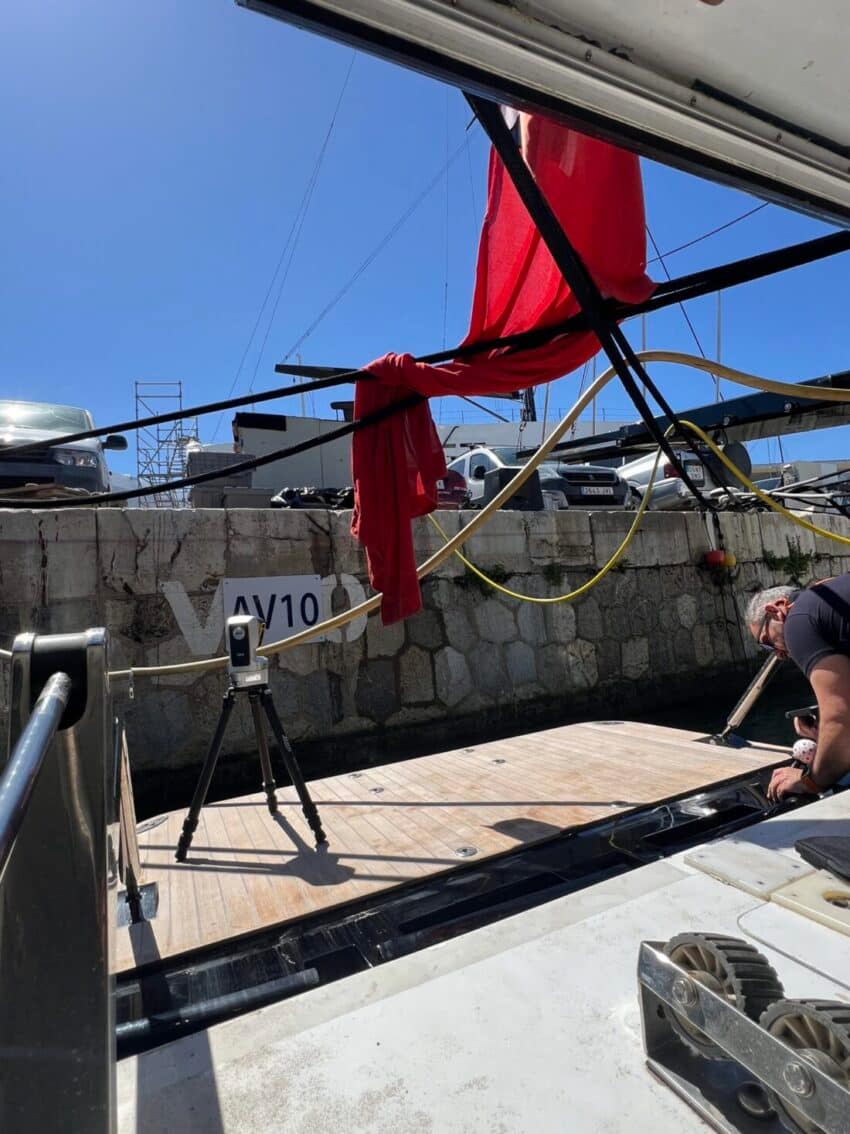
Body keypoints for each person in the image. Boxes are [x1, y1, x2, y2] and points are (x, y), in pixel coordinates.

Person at [746, 578, 850, 801]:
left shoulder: (798, 620)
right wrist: (822, 733)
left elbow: (840, 716)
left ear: (775, 610)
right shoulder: (833, 600)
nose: (779, 654)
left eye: (766, 642)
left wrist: (810, 781)